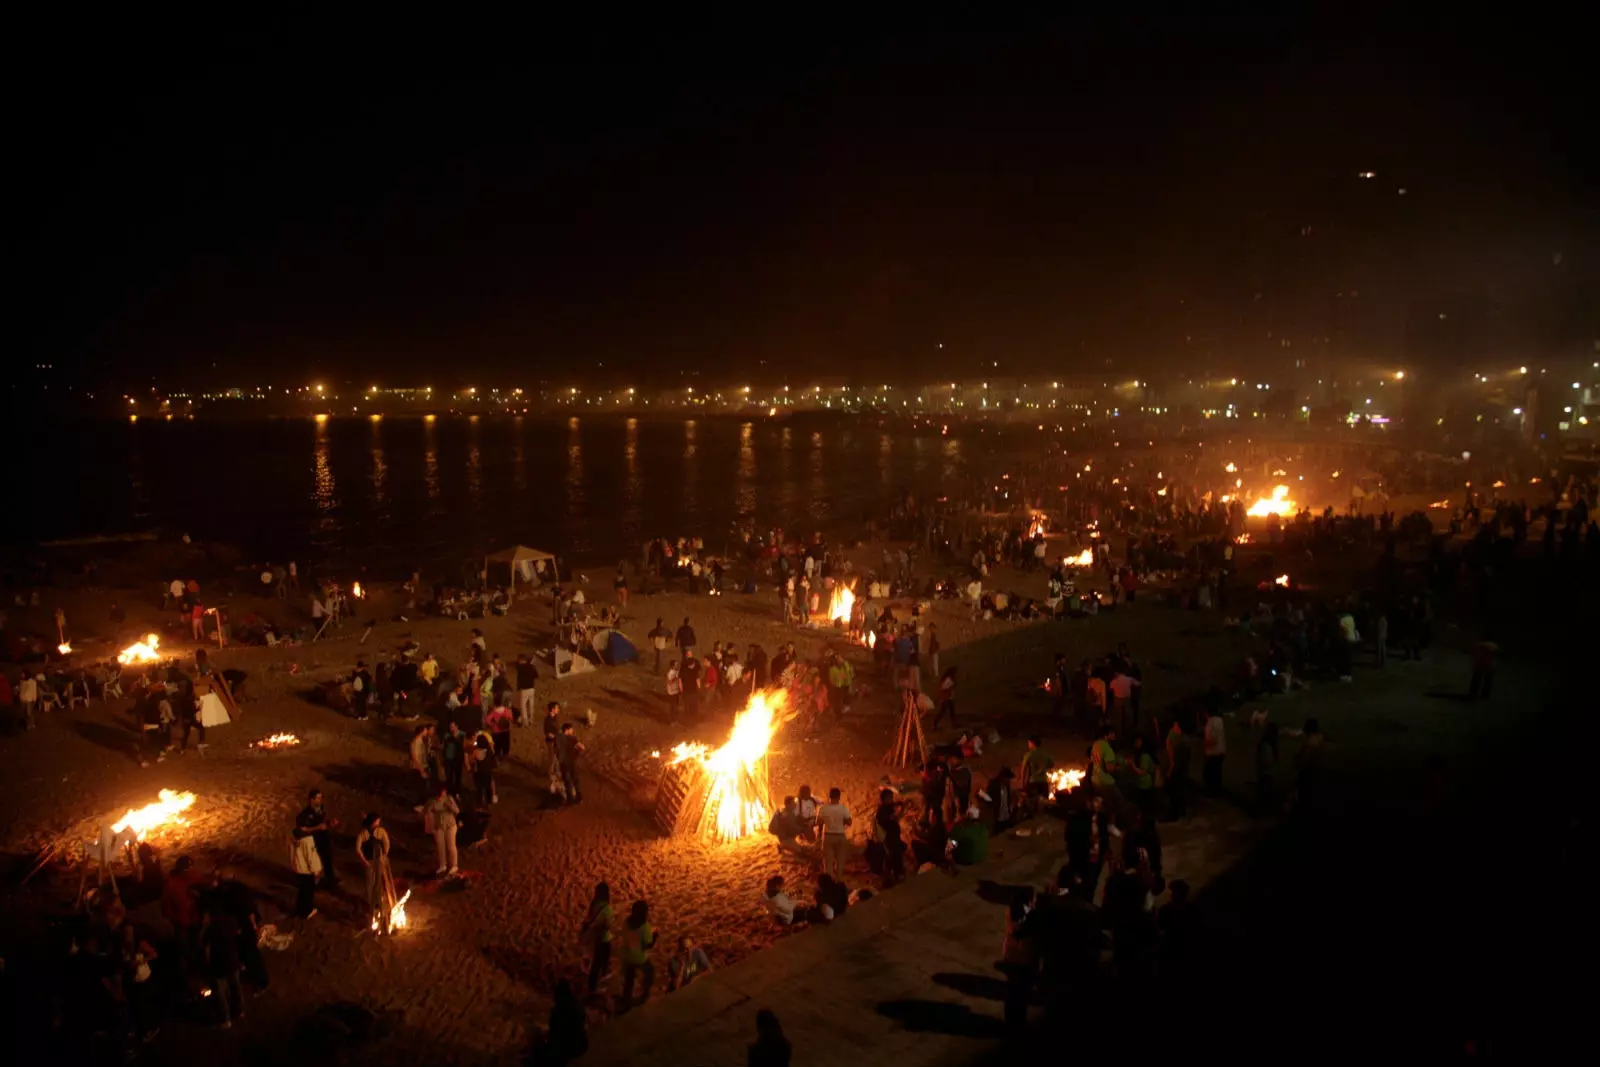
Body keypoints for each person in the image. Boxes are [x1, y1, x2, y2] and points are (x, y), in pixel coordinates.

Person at [355, 813, 400, 934]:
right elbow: (358, 848)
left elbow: (387, 843)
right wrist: (364, 861)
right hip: (369, 861)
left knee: (381, 881)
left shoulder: (381, 831)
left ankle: (381, 902)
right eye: (376, 821)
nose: (378, 823)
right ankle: (371, 903)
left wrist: (384, 856)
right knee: (370, 882)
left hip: (380, 861)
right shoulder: (363, 833)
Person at [618, 900, 657, 1011]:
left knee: (629, 980)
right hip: (640, 958)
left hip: (627, 955)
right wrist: (654, 937)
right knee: (650, 972)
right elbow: (647, 946)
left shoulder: (627, 922)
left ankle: (627, 1000)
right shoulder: (644, 927)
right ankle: (645, 994)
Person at [296, 789, 339, 889]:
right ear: (312, 800)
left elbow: (322, 823)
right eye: (318, 798)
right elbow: (302, 829)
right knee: (315, 863)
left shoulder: (321, 809)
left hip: (324, 837)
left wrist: (330, 823)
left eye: (321, 797)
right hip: (313, 840)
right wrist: (317, 828)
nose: (320, 800)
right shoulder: (305, 815)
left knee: (327, 858)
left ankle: (330, 879)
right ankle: (313, 884)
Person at [540, 980, 589, 1066]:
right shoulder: (577, 1005)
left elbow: (556, 1033)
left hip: (567, 1048)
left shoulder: (559, 1010)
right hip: (580, 1044)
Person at [424, 784, 460, 876]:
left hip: (450, 825)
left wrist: (449, 805)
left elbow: (456, 811)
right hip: (439, 826)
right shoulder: (432, 801)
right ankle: (442, 865)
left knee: (451, 846)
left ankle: (454, 865)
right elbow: (426, 811)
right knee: (440, 846)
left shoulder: (449, 799)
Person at [817, 787, 852, 880]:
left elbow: (819, 823)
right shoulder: (844, 809)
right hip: (840, 836)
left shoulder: (823, 808)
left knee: (828, 863)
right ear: (839, 797)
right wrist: (842, 820)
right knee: (840, 861)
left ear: (829, 796)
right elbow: (849, 823)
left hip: (828, 836)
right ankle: (839, 880)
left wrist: (819, 836)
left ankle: (829, 883)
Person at [1165, 715, 1192, 820]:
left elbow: (1175, 761)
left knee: (1175, 792)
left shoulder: (1180, 743)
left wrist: (1169, 771)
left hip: (1178, 771)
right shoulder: (1184, 739)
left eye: (1175, 725)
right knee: (1181, 791)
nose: (1173, 728)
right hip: (1183, 770)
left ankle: (1174, 814)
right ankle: (1181, 810)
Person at [1255, 721, 1280, 815]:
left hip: (1265, 774)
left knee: (1264, 798)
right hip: (1266, 774)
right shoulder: (1267, 745)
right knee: (1266, 797)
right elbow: (1267, 761)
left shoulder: (1265, 744)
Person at [557, 722, 585, 804]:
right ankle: (579, 797)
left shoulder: (559, 738)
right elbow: (581, 747)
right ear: (567, 730)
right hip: (572, 762)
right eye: (571, 729)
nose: (572, 731)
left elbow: (557, 749)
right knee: (575, 779)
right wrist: (577, 752)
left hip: (564, 762)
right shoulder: (573, 738)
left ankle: (570, 798)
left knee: (567, 780)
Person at [1202, 706, 1227, 794]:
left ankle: (1211, 792)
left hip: (1212, 753)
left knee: (1209, 774)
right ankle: (1217, 790)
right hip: (1221, 751)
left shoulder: (1210, 723)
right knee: (1217, 773)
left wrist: (1204, 743)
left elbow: (1212, 739)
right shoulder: (1220, 720)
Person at [442, 721, 466, 796]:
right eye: (450, 727)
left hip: (458, 758)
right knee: (449, 775)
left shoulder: (462, 735)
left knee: (458, 775)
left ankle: (457, 791)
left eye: (453, 726)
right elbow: (444, 746)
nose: (451, 728)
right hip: (449, 758)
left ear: (457, 726)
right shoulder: (447, 735)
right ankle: (450, 792)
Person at [515, 654, 539, 726]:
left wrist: (518, 688)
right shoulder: (531, 667)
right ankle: (531, 719)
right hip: (532, 688)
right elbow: (536, 675)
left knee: (523, 706)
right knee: (531, 705)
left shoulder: (520, 668)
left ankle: (525, 722)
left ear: (522, 660)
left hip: (524, 689)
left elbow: (519, 679)